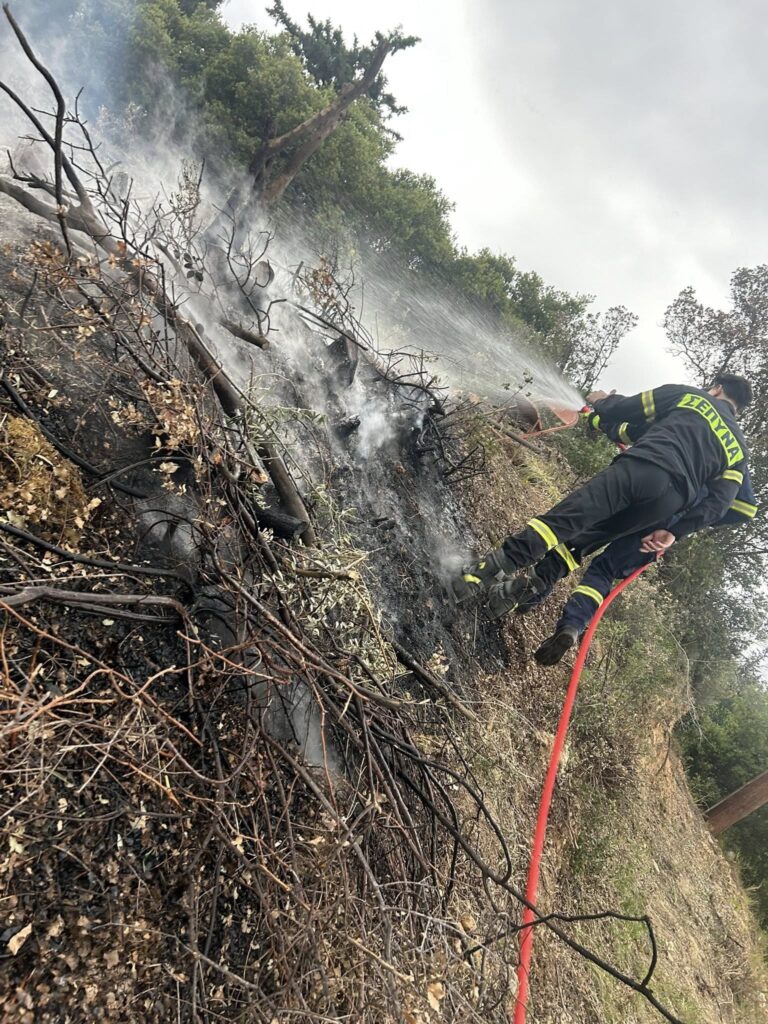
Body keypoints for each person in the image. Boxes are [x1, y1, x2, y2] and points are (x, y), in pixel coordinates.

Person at [451, 373, 754, 624]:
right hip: (668, 504)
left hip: (645, 467)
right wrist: (675, 531)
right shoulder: (738, 450)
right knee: (582, 543)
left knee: (564, 521)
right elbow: (720, 504)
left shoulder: (693, 398)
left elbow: (628, 409)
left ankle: (477, 577)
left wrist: (600, 402)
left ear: (716, 388)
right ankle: (505, 599)